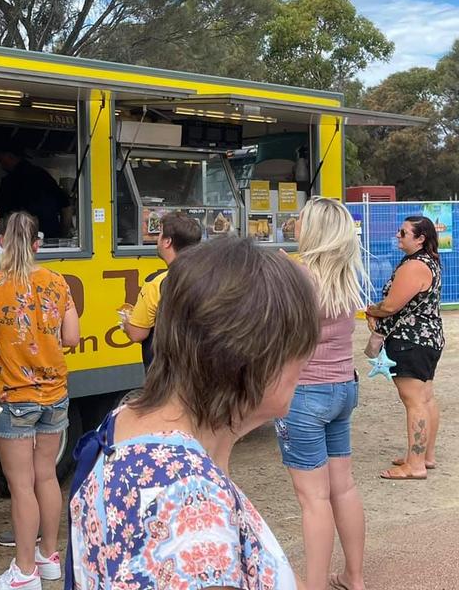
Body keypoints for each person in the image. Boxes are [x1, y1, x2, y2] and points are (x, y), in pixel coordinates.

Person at [68, 237, 320, 589]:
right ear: (254, 359)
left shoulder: (128, 423)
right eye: (299, 349)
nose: (306, 364)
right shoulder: (192, 507)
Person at [0, 212, 80, 590]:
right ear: (38, 244)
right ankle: (49, 556)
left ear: (3, 242)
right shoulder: (58, 282)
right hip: (55, 393)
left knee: (20, 484)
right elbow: (72, 337)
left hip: (12, 396)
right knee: (46, 476)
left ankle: (24, 571)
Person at [274, 198, 367, 590]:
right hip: (343, 388)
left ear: (312, 230)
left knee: (313, 499)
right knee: (342, 486)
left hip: (305, 396)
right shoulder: (346, 275)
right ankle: (354, 577)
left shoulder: (298, 278)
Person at [365, 215, 444, 481]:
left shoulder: (414, 266)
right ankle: (423, 456)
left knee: (414, 401)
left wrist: (370, 311)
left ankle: (416, 464)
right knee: (425, 397)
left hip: (411, 340)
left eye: (403, 233)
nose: (398, 236)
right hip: (426, 339)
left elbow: (390, 306)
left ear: (420, 238)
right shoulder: (428, 261)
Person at [120, 211, 201, 372]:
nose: (157, 239)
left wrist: (126, 323)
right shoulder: (211, 275)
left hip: (166, 374)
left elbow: (137, 334)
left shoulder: (156, 283)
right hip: (202, 369)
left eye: (160, 234)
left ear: (167, 242)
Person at [0, 143, 71, 241]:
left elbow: (0, 215)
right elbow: (66, 207)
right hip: (50, 238)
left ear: (10, 156)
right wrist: (62, 237)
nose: (1, 165)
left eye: (1, 160)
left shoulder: (9, 181)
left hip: (23, 240)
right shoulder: (43, 175)